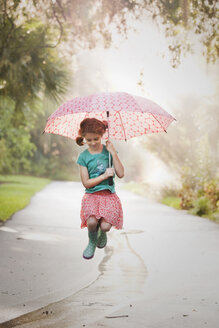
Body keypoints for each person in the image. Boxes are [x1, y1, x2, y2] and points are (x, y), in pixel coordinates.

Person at [76, 117, 124, 260]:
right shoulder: (83, 157)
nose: (92, 143)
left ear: (102, 135)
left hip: (109, 196)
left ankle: (101, 233)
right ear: (84, 138)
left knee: (105, 227)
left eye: (96, 139)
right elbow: (86, 183)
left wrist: (113, 152)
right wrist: (104, 176)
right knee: (91, 222)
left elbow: (121, 173)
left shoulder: (109, 152)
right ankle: (91, 242)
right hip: (92, 196)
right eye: (88, 140)